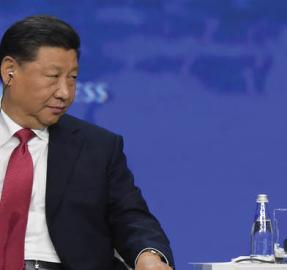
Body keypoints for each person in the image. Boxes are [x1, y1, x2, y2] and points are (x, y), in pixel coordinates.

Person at [0, 15, 174, 270]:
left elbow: (130, 217)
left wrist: (147, 255)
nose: (65, 92)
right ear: (9, 71)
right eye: (52, 76)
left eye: (72, 78)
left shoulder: (98, 147)